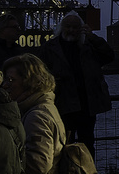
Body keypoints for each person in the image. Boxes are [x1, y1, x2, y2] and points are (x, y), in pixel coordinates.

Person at [40, 12, 114, 153]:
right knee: (63, 144)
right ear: (62, 27)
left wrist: (92, 37)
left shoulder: (88, 44)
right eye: (68, 27)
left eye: (75, 27)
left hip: (86, 105)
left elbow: (109, 55)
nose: (72, 30)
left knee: (86, 143)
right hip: (63, 104)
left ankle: (87, 173)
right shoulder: (49, 48)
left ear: (81, 29)